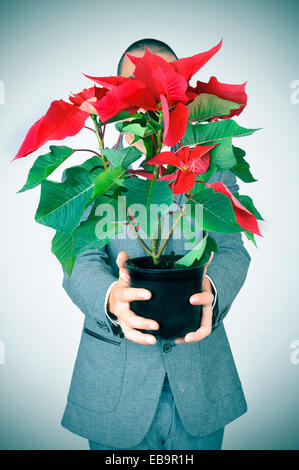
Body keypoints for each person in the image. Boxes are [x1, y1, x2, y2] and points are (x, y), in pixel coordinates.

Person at [61, 38, 251, 450]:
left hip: (199, 386)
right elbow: (78, 257)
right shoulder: (99, 170)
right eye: (137, 85)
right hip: (115, 387)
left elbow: (233, 251)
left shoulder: (206, 163)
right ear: (115, 93)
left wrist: (211, 292)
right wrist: (112, 296)